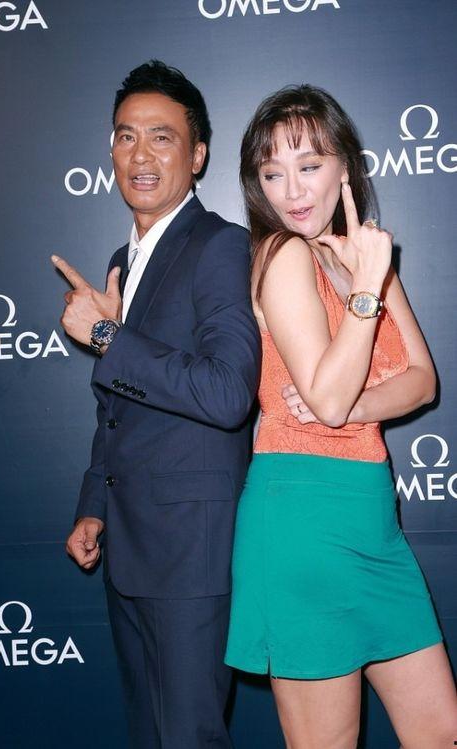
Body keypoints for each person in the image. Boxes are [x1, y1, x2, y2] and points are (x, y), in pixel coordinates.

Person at [224, 85, 457, 749]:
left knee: (441, 732)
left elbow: (422, 380)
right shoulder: (283, 255)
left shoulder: (363, 254)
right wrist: (364, 293)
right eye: (273, 173)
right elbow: (323, 402)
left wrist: (356, 402)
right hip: (302, 520)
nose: (292, 190)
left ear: (344, 166)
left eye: (309, 165)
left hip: (373, 522)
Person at [52, 60, 261, 749]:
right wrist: (94, 503)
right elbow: (120, 404)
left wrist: (107, 335)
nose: (140, 154)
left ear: (197, 155)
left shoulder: (220, 245)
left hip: (190, 552)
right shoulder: (125, 256)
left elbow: (227, 392)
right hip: (131, 544)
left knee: (187, 737)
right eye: (126, 136)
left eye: (162, 137)